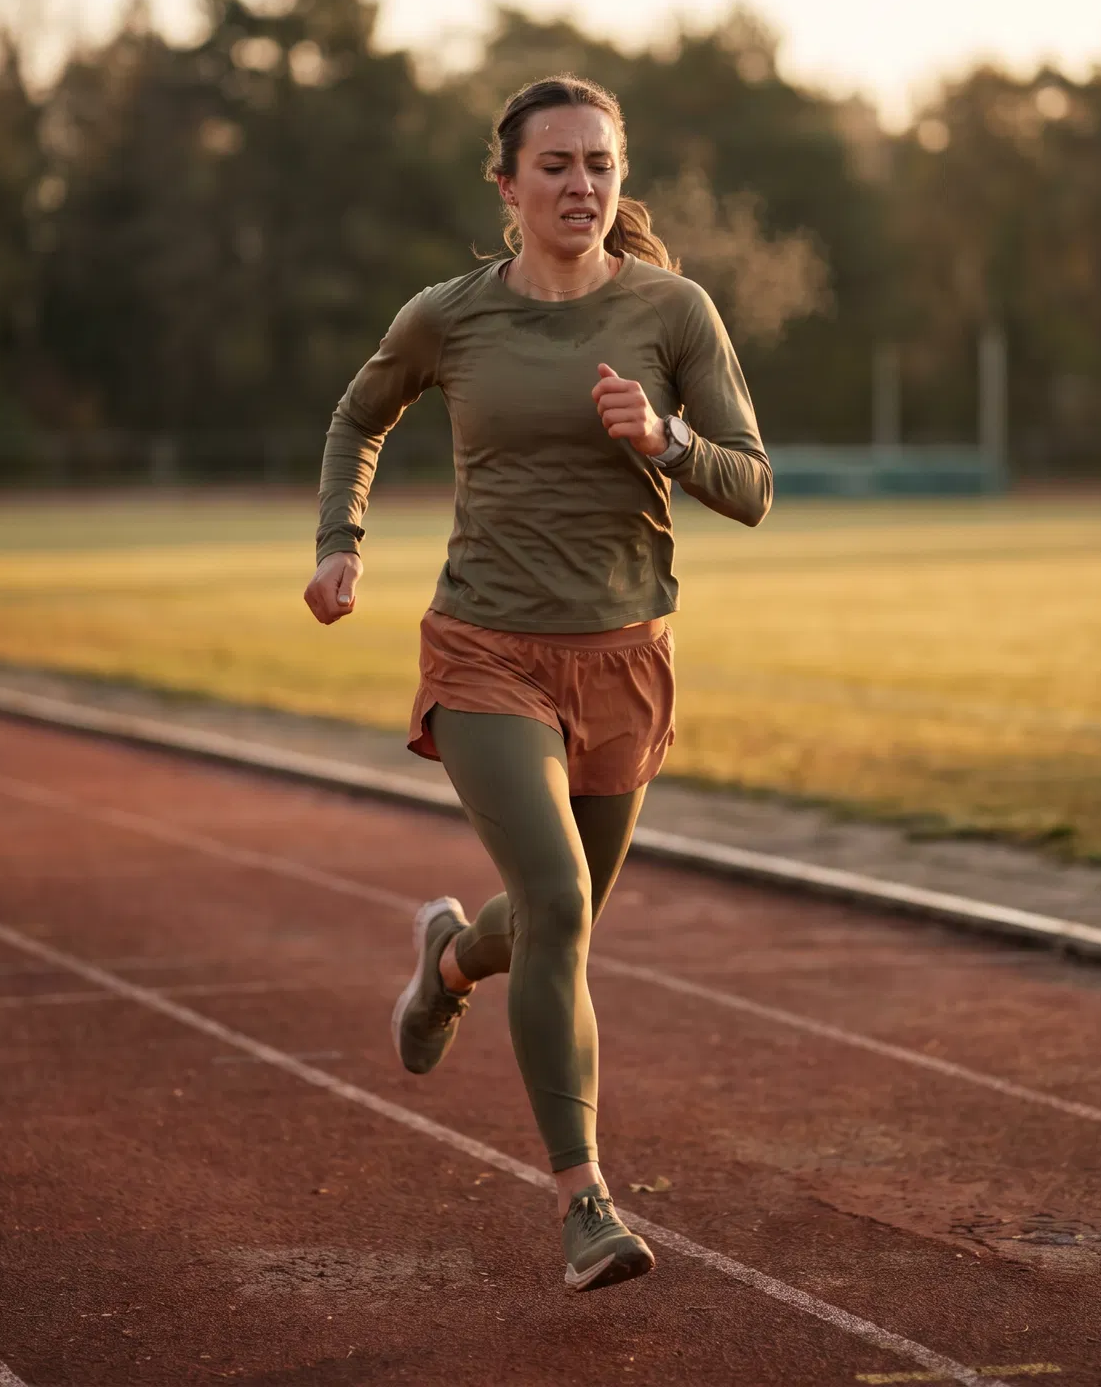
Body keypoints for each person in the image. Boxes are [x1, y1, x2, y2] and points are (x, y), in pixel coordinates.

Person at [303, 74, 771, 1291]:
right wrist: (342, 543)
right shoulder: (448, 317)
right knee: (559, 901)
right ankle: (584, 1205)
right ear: (506, 184)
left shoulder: (674, 310)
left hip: (625, 660)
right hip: (487, 650)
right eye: (555, 164)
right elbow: (357, 419)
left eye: (600, 165)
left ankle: (451, 962)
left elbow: (753, 486)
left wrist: (664, 439)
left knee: (555, 920)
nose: (581, 185)